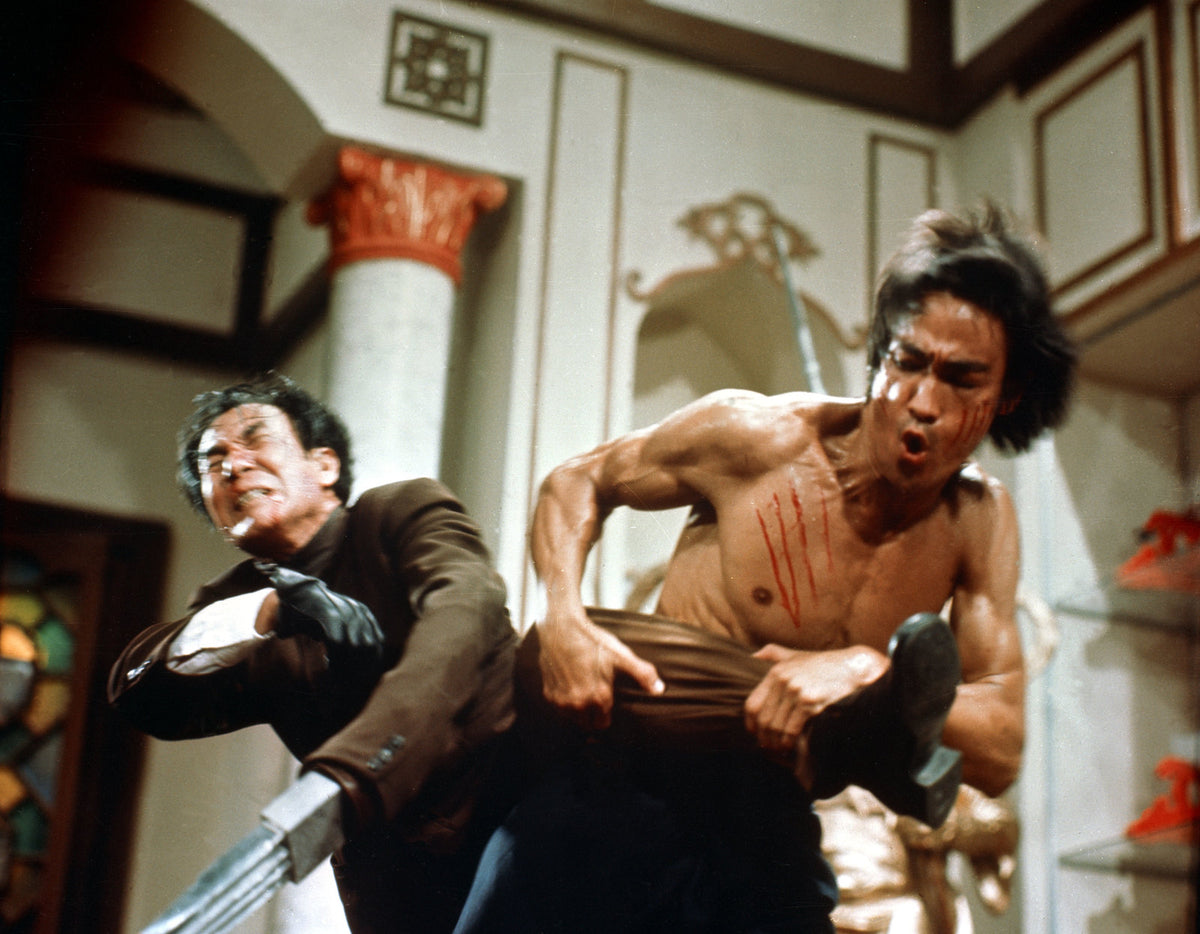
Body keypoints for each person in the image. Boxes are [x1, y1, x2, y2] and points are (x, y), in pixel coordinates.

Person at [453, 202, 1076, 933]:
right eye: (908, 362)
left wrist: (870, 670)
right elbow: (578, 480)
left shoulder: (978, 520)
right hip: (619, 786)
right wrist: (563, 615)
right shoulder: (761, 438)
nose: (921, 402)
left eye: (962, 379)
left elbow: (1001, 746)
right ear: (880, 355)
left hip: (766, 822)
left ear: (1007, 397)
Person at [108, 373, 518, 934]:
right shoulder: (235, 604)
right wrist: (269, 611)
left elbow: (466, 613)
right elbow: (138, 696)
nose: (233, 466)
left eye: (255, 438)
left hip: (518, 808)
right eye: (212, 462)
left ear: (324, 465)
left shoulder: (398, 512)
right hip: (399, 885)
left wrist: (350, 771)